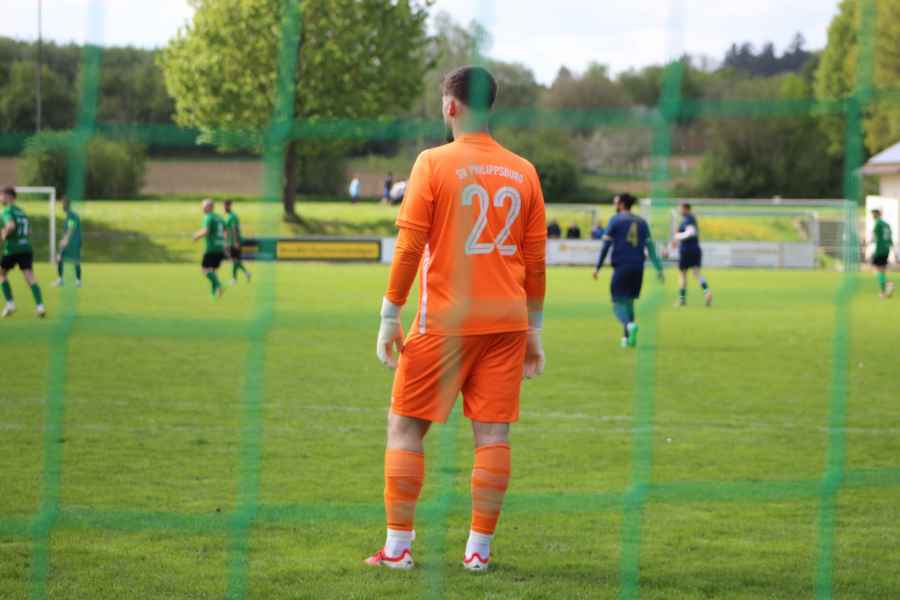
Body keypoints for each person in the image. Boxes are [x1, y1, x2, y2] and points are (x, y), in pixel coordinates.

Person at [367, 66, 547, 573]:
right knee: (493, 437)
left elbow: (409, 247)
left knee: (405, 426)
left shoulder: (432, 162)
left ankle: (398, 549)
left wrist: (389, 314)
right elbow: (536, 262)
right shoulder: (524, 171)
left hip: (445, 321)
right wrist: (534, 330)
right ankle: (478, 553)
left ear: (449, 107)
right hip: (507, 322)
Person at [592, 193, 663, 348]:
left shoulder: (615, 220)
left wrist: (597, 267)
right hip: (638, 267)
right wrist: (659, 268)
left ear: (622, 204)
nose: (614, 204)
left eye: (616, 202)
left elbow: (606, 246)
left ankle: (629, 326)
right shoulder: (642, 222)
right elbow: (651, 248)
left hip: (622, 266)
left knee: (617, 304)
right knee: (629, 303)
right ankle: (627, 339)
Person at [1, 187, 46, 318]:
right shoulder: (21, 212)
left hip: (12, 249)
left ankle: (10, 303)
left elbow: (10, 226)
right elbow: (29, 231)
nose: (0, 198)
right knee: (29, 276)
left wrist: (3, 235)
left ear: (9, 196)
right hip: (26, 247)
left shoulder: (7, 210)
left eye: (1, 195)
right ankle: (40, 307)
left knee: (1, 274)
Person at [673, 202, 712, 307]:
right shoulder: (688, 219)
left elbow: (690, 232)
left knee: (682, 274)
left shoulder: (689, 219)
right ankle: (706, 291)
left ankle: (682, 300)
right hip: (695, 249)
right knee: (697, 273)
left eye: (680, 208)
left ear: (686, 209)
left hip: (687, 250)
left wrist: (677, 236)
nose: (679, 210)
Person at [192, 199, 226, 298]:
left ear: (210, 207)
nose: (202, 208)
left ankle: (219, 285)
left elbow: (206, 231)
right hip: (220, 247)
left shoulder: (208, 217)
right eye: (202, 206)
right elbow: (225, 230)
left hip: (212, 248)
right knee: (213, 271)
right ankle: (214, 293)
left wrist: (196, 236)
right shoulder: (219, 218)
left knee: (205, 270)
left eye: (204, 206)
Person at [53, 196, 83, 288]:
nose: (61, 206)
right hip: (72, 241)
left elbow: (71, 228)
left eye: (62, 204)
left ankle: (76, 281)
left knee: (72, 260)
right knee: (61, 259)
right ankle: (63, 279)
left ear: (66, 204)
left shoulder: (71, 215)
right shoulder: (70, 215)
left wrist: (65, 240)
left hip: (72, 242)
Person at [223, 200, 251, 285]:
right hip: (230, 241)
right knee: (235, 260)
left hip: (234, 241)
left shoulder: (232, 216)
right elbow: (226, 230)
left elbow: (234, 229)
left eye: (226, 206)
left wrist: (236, 242)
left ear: (229, 206)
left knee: (235, 260)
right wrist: (225, 241)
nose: (224, 207)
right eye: (223, 206)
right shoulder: (227, 216)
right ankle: (246, 273)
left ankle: (234, 279)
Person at [870, 208, 895, 299]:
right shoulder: (887, 225)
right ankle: (884, 293)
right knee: (882, 271)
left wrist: (871, 241)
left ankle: (888, 284)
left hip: (880, 249)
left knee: (877, 270)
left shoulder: (878, 224)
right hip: (886, 250)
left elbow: (874, 237)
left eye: (873, 214)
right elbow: (890, 238)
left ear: (876, 214)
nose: (872, 216)